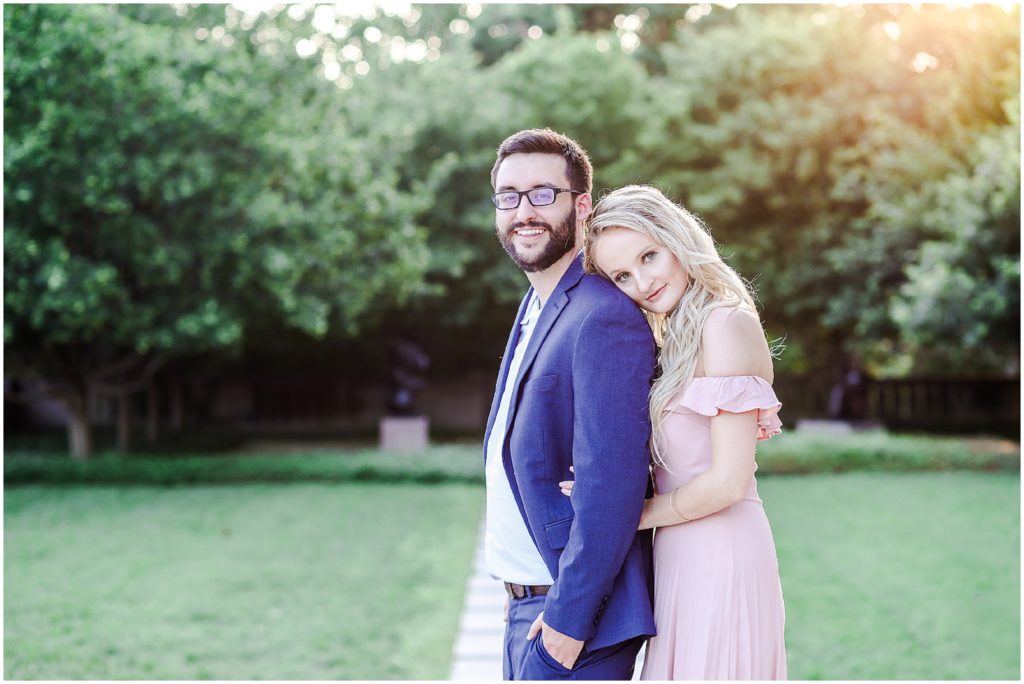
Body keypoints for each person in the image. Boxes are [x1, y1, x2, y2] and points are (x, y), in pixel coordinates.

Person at [564, 184, 788, 679]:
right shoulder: (676, 333)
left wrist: (624, 516)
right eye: (622, 275)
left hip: (721, 551)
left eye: (649, 256)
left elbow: (729, 480)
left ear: (676, 237)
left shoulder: (724, 322)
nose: (642, 281)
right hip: (681, 552)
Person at [484, 129, 657, 680]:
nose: (523, 211)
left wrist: (569, 618)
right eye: (508, 196)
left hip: (570, 623)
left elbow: (611, 483)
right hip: (526, 605)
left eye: (542, 194)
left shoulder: (602, 316)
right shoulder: (537, 305)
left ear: (581, 205)